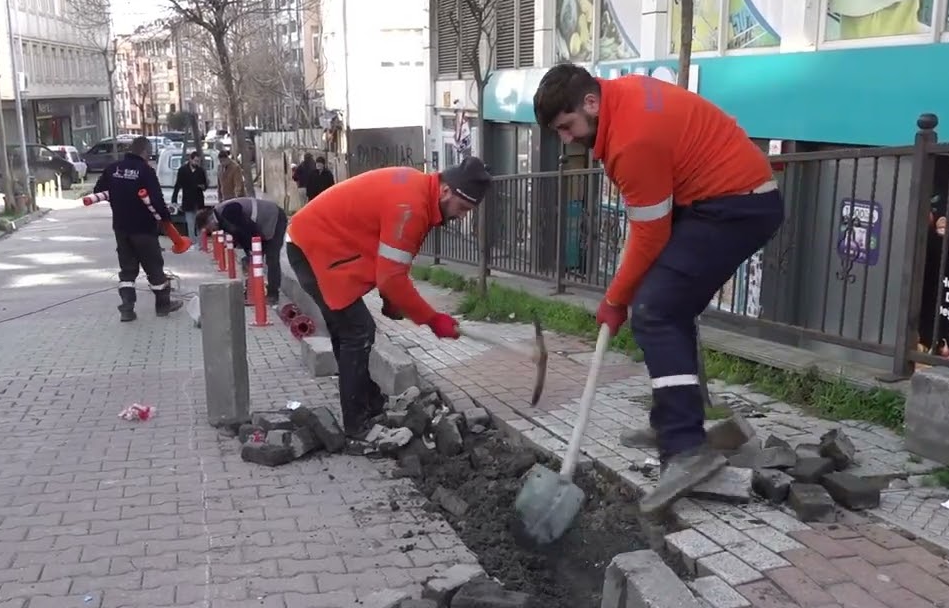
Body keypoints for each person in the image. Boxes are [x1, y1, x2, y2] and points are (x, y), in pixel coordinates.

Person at [533, 63, 783, 516]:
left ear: (591, 103)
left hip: (737, 206)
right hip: (715, 199)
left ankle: (686, 448)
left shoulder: (633, 140)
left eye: (567, 127)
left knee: (655, 311)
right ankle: (676, 421)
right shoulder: (619, 100)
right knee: (669, 306)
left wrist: (615, 300)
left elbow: (648, 235)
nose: (566, 140)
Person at [286, 158, 491, 438]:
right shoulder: (412, 207)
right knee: (357, 331)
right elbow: (391, 278)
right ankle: (358, 426)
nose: (462, 215)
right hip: (313, 249)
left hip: (315, 243)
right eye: (463, 207)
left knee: (349, 331)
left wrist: (392, 302)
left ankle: (369, 403)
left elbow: (393, 263)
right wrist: (433, 320)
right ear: (446, 191)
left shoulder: (417, 191)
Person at [92, 136, 184, 321]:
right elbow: (157, 200)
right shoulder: (145, 171)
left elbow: (98, 190)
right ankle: (163, 306)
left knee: (127, 270)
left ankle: (127, 308)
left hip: (121, 228)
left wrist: (119, 197)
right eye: (149, 154)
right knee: (154, 267)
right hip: (144, 229)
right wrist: (166, 221)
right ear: (144, 152)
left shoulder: (113, 169)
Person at [195, 196, 286, 304]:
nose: (212, 231)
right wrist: (249, 252)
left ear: (210, 220)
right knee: (252, 260)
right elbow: (241, 234)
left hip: (274, 217)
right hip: (262, 223)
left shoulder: (228, 212)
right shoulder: (221, 216)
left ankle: (272, 295)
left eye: (209, 229)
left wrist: (252, 252)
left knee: (272, 257)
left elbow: (248, 230)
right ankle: (253, 291)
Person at [171, 150, 207, 243]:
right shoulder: (183, 170)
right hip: (188, 200)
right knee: (190, 223)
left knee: (199, 222)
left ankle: (200, 242)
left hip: (199, 200)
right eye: (195, 161)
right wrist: (174, 199)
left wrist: (203, 186)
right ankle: (192, 241)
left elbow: (205, 184)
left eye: (198, 161)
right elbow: (178, 185)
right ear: (190, 160)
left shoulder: (200, 171)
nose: (196, 163)